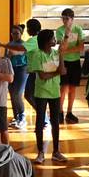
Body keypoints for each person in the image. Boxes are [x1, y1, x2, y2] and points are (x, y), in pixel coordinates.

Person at [29, 29, 66, 165]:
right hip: (41, 92)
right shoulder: (38, 55)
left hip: (55, 91)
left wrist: (61, 55)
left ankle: (56, 151)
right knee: (40, 122)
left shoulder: (56, 53)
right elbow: (42, 76)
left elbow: (63, 70)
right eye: (52, 38)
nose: (55, 40)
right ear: (46, 41)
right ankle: (40, 152)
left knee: (55, 121)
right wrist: (56, 72)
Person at [59, 9, 87, 125]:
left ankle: (69, 112)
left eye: (67, 18)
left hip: (75, 62)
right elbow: (62, 47)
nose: (64, 21)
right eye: (63, 18)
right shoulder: (59, 31)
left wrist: (67, 50)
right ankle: (60, 111)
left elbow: (81, 47)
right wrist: (66, 35)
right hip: (64, 61)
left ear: (72, 19)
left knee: (72, 88)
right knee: (63, 88)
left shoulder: (78, 29)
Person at [7, 21, 30, 131]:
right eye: (13, 33)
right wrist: (9, 55)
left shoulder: (24, 45)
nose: (14, 35)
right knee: (12, 92)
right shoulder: (9, 44)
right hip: (12, 69)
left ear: (21, 34)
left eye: (16, 33)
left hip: (22, 69)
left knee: (18, 92)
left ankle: (22, 116)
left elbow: (27, 58)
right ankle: (16, 116)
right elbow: (6, 58)